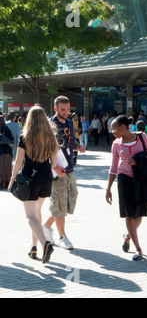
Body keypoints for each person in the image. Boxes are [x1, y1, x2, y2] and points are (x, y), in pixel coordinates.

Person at [8, 106, 59, 263]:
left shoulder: (26, 136)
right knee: (37, 213)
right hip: (45, 177)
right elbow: (54, 162)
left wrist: (12, 179)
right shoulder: (51, 136)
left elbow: (18, 161)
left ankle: (45, 244)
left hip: (29, 178)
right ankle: (33, 246)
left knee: (30, 216)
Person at [106, 115, 147, 261]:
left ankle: (128, 236)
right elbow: (113, 166)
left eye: (114, 128)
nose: (112, 131)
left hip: (141, 179)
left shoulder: (142, 137)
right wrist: (108, 188)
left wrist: (138, 160)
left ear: (123, 127)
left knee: (138, 215)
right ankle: (138, 249)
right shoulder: (116, 144)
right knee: (129, 214)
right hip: (124, 179)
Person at [43, 96, 86, 250]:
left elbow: (70, 142)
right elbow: (43, 149)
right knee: (59, 202)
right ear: (56, 108)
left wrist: (78, 147)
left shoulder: (69, 122)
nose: (66, 112)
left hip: (69, 168)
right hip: (56, 170)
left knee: (71, 198)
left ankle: (46, 226)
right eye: (63, 109)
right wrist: (53, 167)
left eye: (68, 109)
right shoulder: (49, 125)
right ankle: (62, 236)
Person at [0, 115, 14, 189]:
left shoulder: (5, 128)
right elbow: (12, 140)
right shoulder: (6, 128)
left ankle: (2, 183)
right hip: (7, 152)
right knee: (6, 168)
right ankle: (5, 183)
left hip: (3, 152)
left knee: (2, 168)